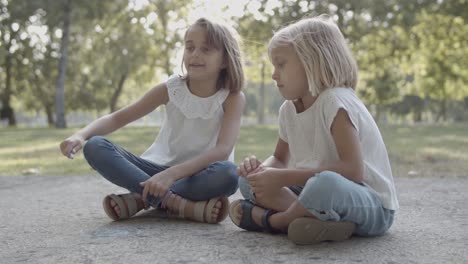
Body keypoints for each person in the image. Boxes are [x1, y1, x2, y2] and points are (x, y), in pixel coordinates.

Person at [228, 15, 398, 244]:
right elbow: (279, 158)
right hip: (316, 193)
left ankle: (277, 221)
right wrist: (262, 171)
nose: (273, 74)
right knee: (248, 181)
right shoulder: (288, 109)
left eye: (281, 64)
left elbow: (353, 170)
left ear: (312, 62)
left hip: (370, 204)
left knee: (324, 184)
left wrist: (283, 177)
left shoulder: (335, 101)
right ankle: (320, 223)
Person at [60, 18, 245, 224]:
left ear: (225, 60)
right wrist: (81, 135)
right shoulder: (170, 89)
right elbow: (118, 117)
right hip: (155, 171)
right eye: (190, 47)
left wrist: (172, 176)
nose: (195, 55)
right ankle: (180, 205)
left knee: (228, 174)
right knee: (95, 146)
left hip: (199, 176)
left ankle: (141, 199)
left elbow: (222, 151)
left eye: (206, 49)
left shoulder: (232, 97)